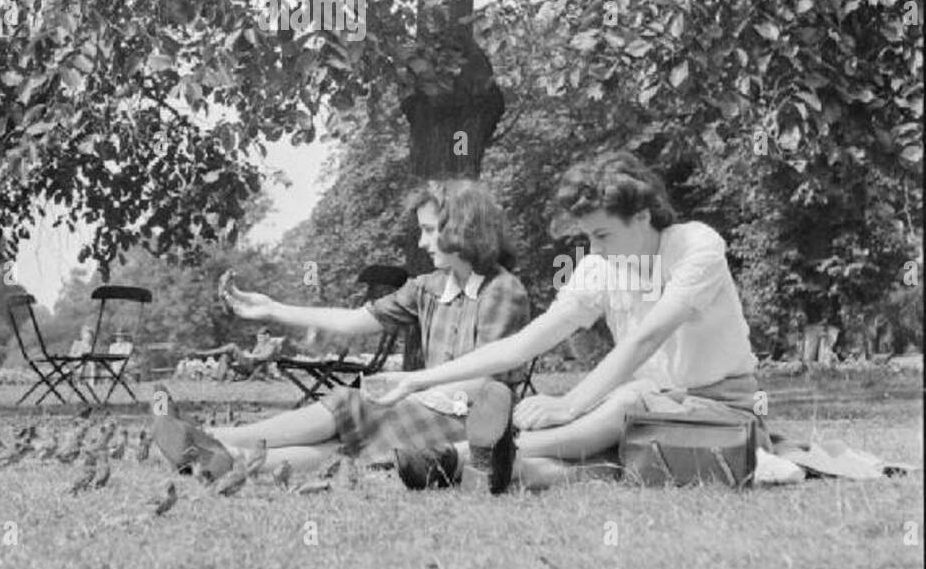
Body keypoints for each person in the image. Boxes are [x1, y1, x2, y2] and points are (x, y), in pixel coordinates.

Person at [368, 151, 771, 492]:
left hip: (722, 414)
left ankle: (462, 455)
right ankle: (494, 469)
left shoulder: (695, 245)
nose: (593, 249)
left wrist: (568, 404)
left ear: (643, 216)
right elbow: (523, 344)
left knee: (626, 400)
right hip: (648, 418)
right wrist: (421, 379)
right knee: (601, 450)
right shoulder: (600, 265)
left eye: (603, 235)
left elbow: (646, 339)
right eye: (587, 237)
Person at [150, 178, 531, 484]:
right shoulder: (429, 286)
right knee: (342, 447)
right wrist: (274, 309)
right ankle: (224, 460)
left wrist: (410, 387)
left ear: (462, 229)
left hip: (473, 427)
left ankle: (211, 441)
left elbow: (487, 382)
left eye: (430, 231)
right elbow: (352, 320)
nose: (421, 242)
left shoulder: (503, 290)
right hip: (427, 408)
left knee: (354, 405)